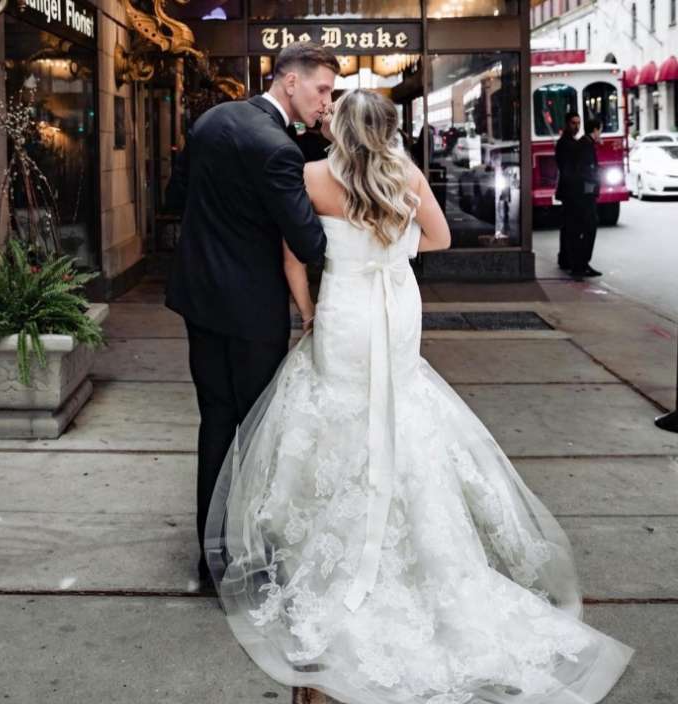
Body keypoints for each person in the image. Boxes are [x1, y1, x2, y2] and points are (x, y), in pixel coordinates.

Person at [204, 89, 634, 704]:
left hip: (346, 311)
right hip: (396, 308)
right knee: (402, 406)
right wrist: (393, 249)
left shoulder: (312, 175)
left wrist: (309, 314)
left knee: (338, 411)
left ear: (339, 129)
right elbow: (440, 240)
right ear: (386, 129)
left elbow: (293, 258)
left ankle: (336, 553)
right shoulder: (403, 172)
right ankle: (423, 554)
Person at [165, 42, 340, 590]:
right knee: (261, 432)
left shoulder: (212, 120)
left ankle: (210, 560)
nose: (326, 103)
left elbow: (177, 197)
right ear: (290, 82)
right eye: (322, 90)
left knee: (216, 421)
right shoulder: (280, 150)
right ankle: (251, 557)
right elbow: (309, 241)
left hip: (199, 298)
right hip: (252, 310)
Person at [570, 118, 603, 279]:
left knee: (585, 228)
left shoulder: (584, 143)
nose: (600, 134)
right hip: (585, 194)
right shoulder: (586, 145)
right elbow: (586, 170)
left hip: (583, 193)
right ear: (595, 130)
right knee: (588, 227)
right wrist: (595, 182)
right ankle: (580, 265)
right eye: (600, 130)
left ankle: (582, 264)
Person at [554, 111, 581, 270]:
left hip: (568, 190)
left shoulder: (569, 141)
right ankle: (567, 258)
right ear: (566, 124)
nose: (576, 126)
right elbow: (567, 168)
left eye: (578, 123)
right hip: (570, 191)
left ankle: (565, 257)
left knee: (567, 225)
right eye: (573, 123)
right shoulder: (565, 143)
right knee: (570, 226)